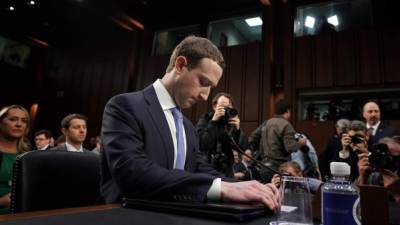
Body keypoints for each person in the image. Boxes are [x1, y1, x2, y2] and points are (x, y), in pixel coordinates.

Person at [101, 36, 279, 211]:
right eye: (203, 82)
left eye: (210, 87)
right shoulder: (124, 106)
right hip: (126, 214)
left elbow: (199, 168)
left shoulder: (187, 126)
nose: (205, 96)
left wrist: (245, 186)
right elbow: (134, 173)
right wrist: (220, 189)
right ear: (180, 65)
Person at [248, 100, 307, 183]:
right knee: (279, 194)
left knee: (267, 193)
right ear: (287, 111)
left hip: (264, 166)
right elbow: (290, 148)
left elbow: (251, 138)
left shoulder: (266, 123)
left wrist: (260, 149)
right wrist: (300, 143)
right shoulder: (286, 125)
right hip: (279, 169)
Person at [196, 92, 247, 177]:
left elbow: (242, 148)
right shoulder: (206, 119)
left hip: (226, 170)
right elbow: (202, 144)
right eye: (223, 106)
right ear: (214, 106)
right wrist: (213, 122)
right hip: (207, 168)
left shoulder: (230, 123)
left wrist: (237, 130)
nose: (226, 110)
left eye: (228, 107)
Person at [0, 105, 30, 213]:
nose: (18, 124)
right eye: (13, 119)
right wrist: (1, 202)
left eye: (24, 121)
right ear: (0, 123)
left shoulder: (30, 155)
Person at [357, 131, 400, 203]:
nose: (388, 160)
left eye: (395, 157)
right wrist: (362, 177)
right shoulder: (373, 175)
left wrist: (397, 193)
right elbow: (357, 204)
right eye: (385, 155)